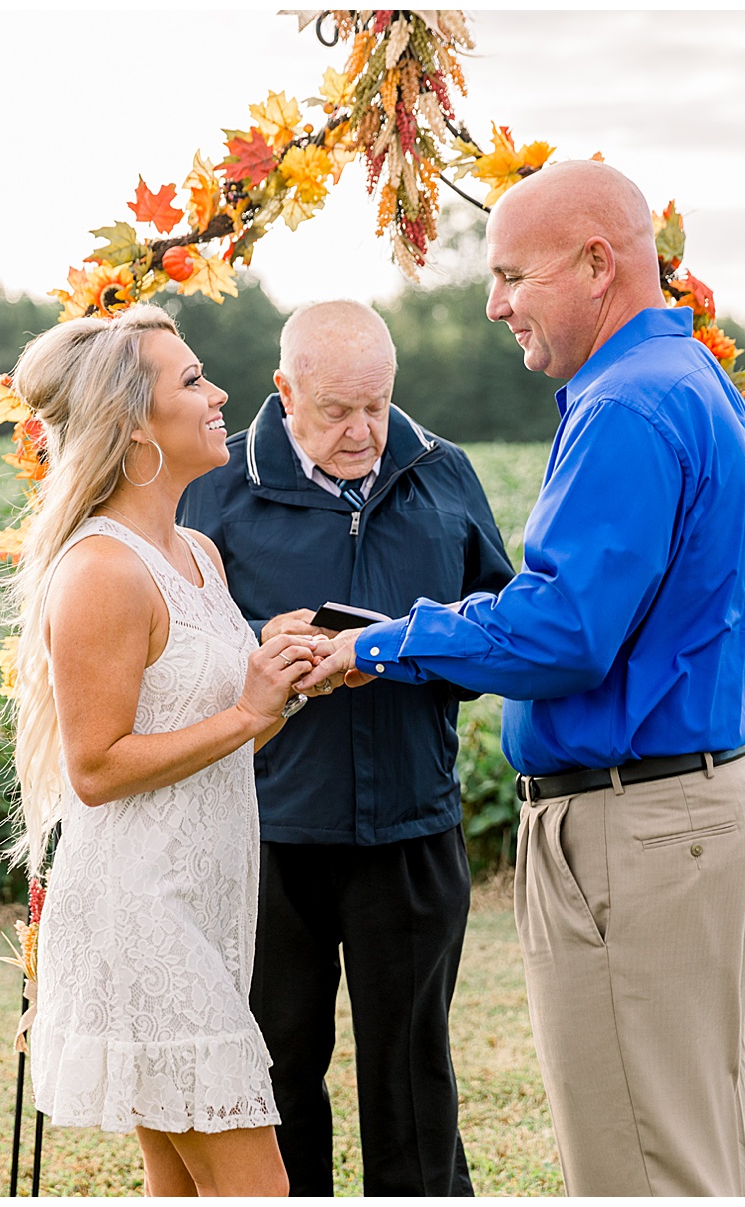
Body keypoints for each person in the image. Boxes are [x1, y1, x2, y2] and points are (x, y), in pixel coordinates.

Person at [299, 161, 745, 1196]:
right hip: (688, 810)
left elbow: (565, 632)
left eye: (513, 274)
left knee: (636, 1167)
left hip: (633, 826)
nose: (494, 303)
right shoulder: (691, 380)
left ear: (598, 264)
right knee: (687, 1145)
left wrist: (381, 645)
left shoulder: (626, 406)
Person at [178, 300, 513, 1196]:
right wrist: (266, 647)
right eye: (337, 411)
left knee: (413, 1076)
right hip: (266, 833)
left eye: (378, 404)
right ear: (285, 392)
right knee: (279, 1068)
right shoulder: (214, 488)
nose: (364, 430)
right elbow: (172, 649)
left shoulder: (444, 473)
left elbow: (503, 630)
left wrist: (401, 651)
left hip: (412, 826)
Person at [6, 304, 318, 1197]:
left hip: (204, 904)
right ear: (134, 421)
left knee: (179, 1188)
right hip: (140, 915)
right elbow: (96, 768)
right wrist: (248, 711)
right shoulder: (102, 569)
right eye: (192, 380)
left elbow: (216, 728)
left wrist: (285, 682)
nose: (220, 395)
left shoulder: (199, 554)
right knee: (259, 1187)